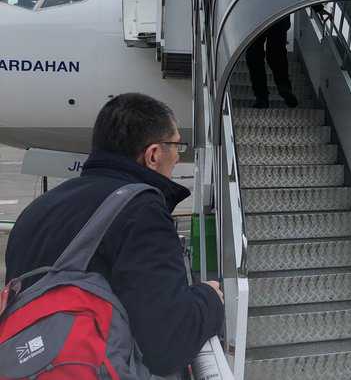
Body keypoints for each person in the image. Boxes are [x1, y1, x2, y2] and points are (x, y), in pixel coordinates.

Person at [4, 93, 224, 376]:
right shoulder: (141, 211)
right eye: (176, 145)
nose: (178, 155)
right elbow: (168, 346)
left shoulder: (35, 211)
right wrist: (208, 297)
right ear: (154, 154)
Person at [246, 15, 298, 108]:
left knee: (255, 56)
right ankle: (284, 88)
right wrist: (317, 8)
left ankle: (262, 97)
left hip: (256, 15)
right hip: (278, 14)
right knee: (276, 54)